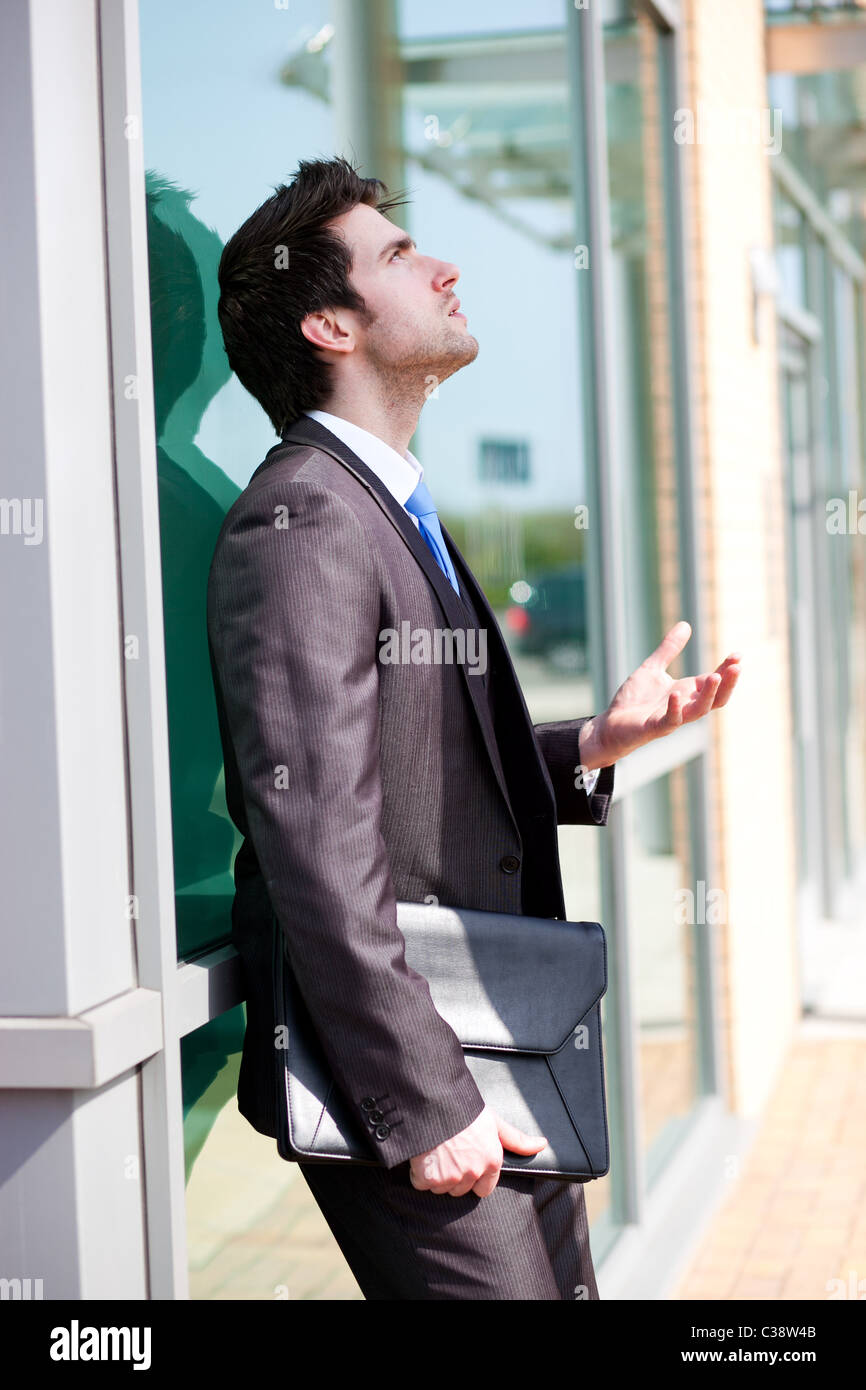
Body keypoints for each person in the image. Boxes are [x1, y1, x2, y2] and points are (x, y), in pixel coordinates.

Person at [206, 156, 741, 1300]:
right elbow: (315, 840)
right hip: (409, 1080)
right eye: (399, 256)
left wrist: (585, 745)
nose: (446, 268)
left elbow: (402, 767)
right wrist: (426, 1103)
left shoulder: (385, 503)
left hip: (493, 1042)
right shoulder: (301, 517)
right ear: (327, 323)